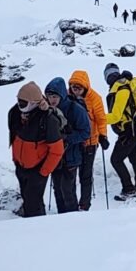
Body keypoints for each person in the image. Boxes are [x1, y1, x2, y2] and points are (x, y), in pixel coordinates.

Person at [8, 82, 64, 218]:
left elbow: (57, 151)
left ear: (34, 102)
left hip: (37, 169)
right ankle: (37, 224)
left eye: (23, 103)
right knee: (29, 200)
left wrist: (43, 173)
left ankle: (36, 231)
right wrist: (16, 161)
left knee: (33, 205)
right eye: (19, 101)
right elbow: (14, 138)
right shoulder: (14, 113)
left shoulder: (48, 119)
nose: (19, 105)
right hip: (21, 167)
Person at [44, 78, 90, 214]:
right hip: (55, 157)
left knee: (67, 190)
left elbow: (86, 132)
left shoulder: (75, 109)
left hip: (71, 157)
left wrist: (66, 138)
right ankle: (61, 218)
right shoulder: (48, 110)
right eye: (49, 96)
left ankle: (72, 219)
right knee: (57, 189)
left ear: (62, 95)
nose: (51, 99)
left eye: (54, 96)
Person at [103, 63, 136, 200]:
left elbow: (116, 115)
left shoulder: (122, 89)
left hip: (128, 131)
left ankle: (128, 188)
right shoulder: (124, 85)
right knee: (135, 159)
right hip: (135, 129)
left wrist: (97, 119)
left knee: (115, 160)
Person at [68, 70, 108, 211]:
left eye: (78, 87)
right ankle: (71, 204)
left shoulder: (95, 98)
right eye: (73, 86)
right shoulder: (67, 97)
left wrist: (103, 135)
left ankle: (85, 204)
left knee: (85, 174)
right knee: (70, 174)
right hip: (73, 142)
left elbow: (101, 119)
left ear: (85, 86)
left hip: (90, 142)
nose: (75, 90)